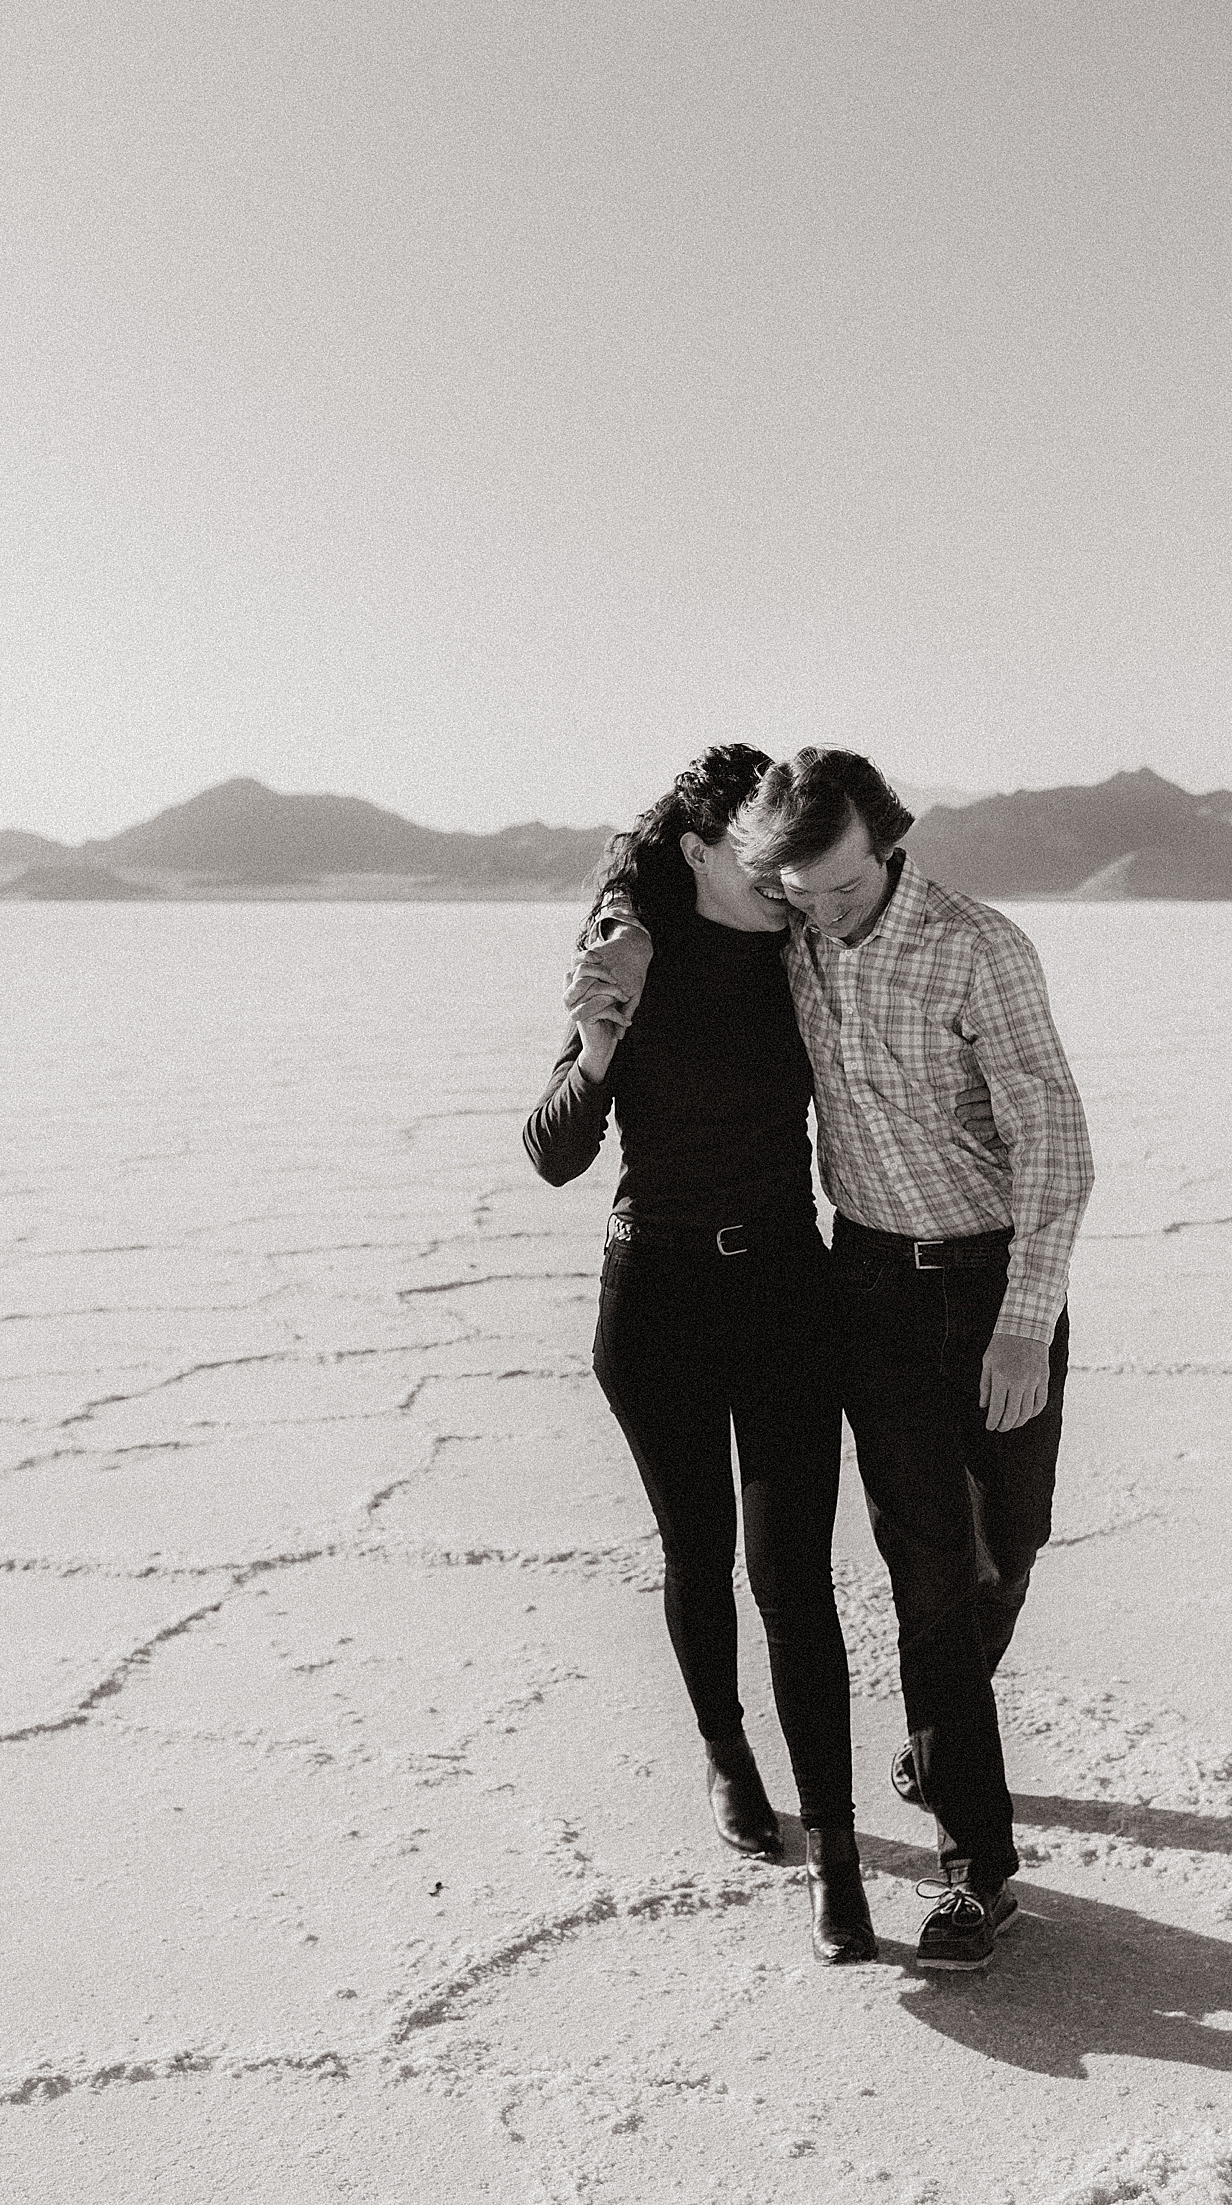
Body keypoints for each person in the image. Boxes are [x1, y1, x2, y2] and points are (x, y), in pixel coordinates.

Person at [577, 748, 1093, 1972]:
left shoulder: (980, 947)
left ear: (891, 841)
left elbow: (1057, 1148)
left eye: (846, 883)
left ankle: (937, 1736)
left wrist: (1025, 1319)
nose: (824, 907)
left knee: (1004, 1547)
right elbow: (657, 901)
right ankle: (974, 1868)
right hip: (864, 1282)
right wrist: (611, 945)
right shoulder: (787, 935)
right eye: (802, 890)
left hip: (995, 1282)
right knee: (923, 1566)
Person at [523, 743, 877, 1966]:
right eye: (756, 849)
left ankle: (837, 1848)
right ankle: (727, 1751)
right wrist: (599, 1037)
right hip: (659, 1297)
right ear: (694, 850)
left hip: (785, 1284)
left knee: (794, 1579)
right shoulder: (632, 952)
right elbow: (554, 1152)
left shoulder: (805, 952)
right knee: (696, 1547)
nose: (783, 874)